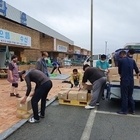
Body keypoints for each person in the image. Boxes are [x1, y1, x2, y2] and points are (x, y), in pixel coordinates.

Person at [117, 51, 139, 115]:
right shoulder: (132, 60)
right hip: (131, 81)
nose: (119, 56)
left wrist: (122, 76)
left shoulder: (120, 60)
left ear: (122, 54)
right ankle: (133, 110)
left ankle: (124, 111)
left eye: (120, 55)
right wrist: (137, 76)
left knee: (124, 96)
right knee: (130, 96)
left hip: (124, 81)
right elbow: (137, 70)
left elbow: (119, 71)